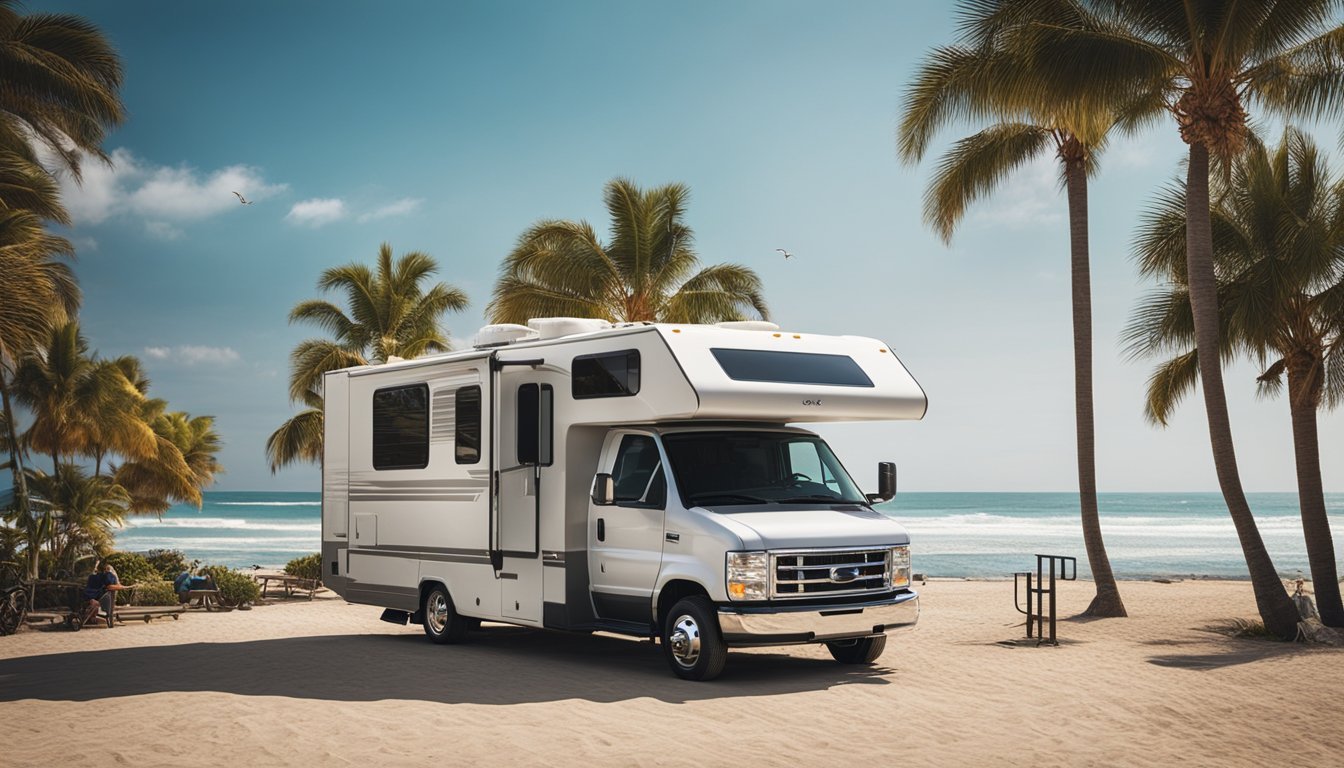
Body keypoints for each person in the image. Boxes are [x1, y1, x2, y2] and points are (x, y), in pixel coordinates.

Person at [81, 561, 127, 628]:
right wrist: (125, 587)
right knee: (103, 603)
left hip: (87, 595)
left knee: (92, 602)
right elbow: (110, 586)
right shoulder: (108, 575)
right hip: (98, 596)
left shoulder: (92, 577)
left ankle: (91, 614)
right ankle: (106, 619)